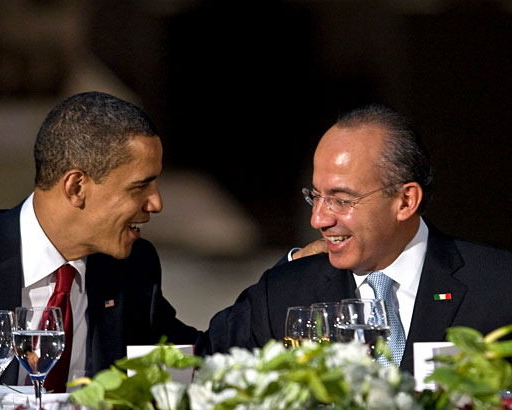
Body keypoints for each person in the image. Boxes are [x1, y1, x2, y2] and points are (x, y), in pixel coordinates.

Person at [0, 92, 200, 405]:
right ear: (76, 188)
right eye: (140, 186)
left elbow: (186, 364)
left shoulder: (132, 269)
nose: (157, 203)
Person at [199, 103, 512, 374]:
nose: (319, 219)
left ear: (405, 201)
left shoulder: (498, 286)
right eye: (316, 196)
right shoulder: (285, 294)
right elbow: (197, 369)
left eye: (341, 199)